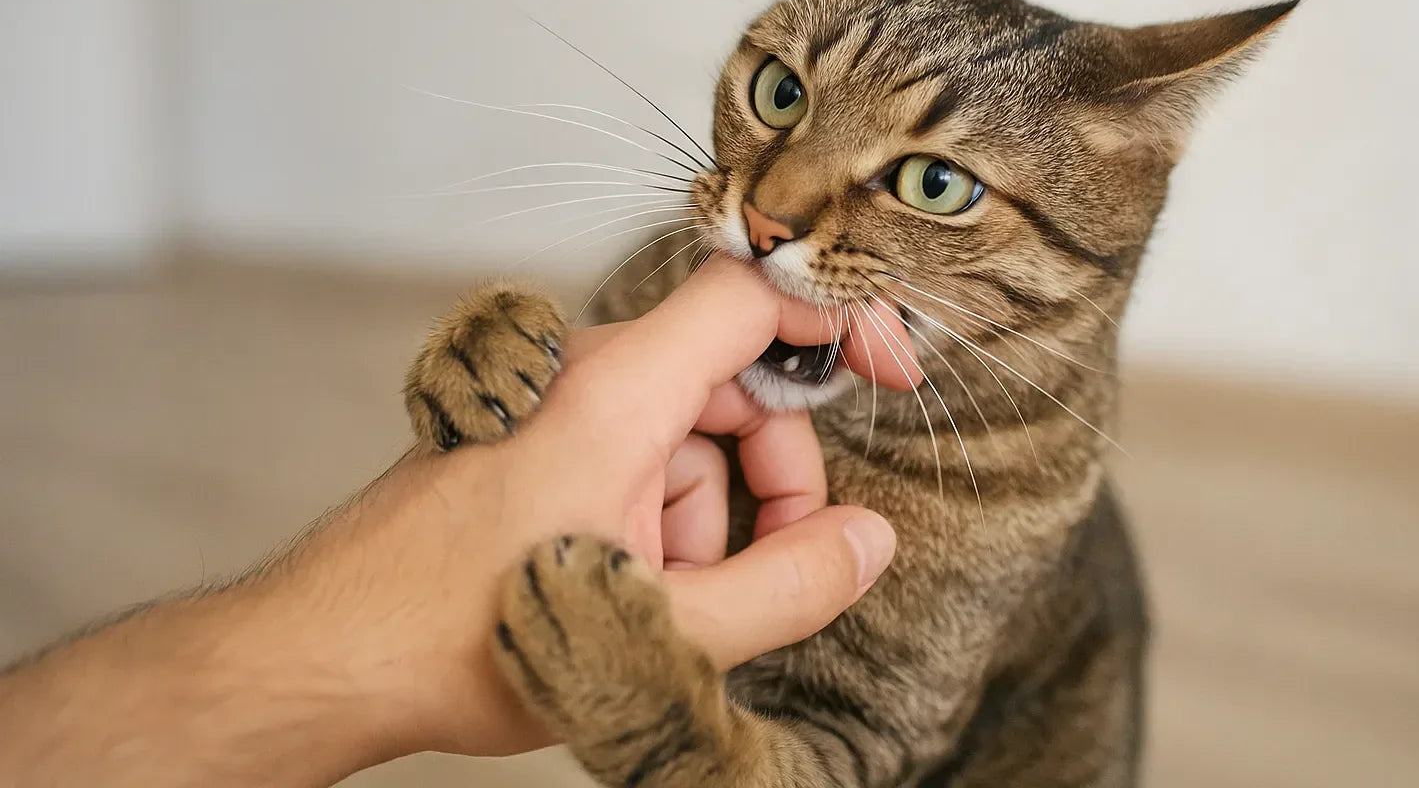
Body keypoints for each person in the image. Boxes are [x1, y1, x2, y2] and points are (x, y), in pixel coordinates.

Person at [0, 257, 914, 788]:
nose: (780, 212)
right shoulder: (687, 267)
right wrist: (506, 347)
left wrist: (671, 742)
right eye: (783, 96)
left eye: (935, 183)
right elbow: (547, 429)